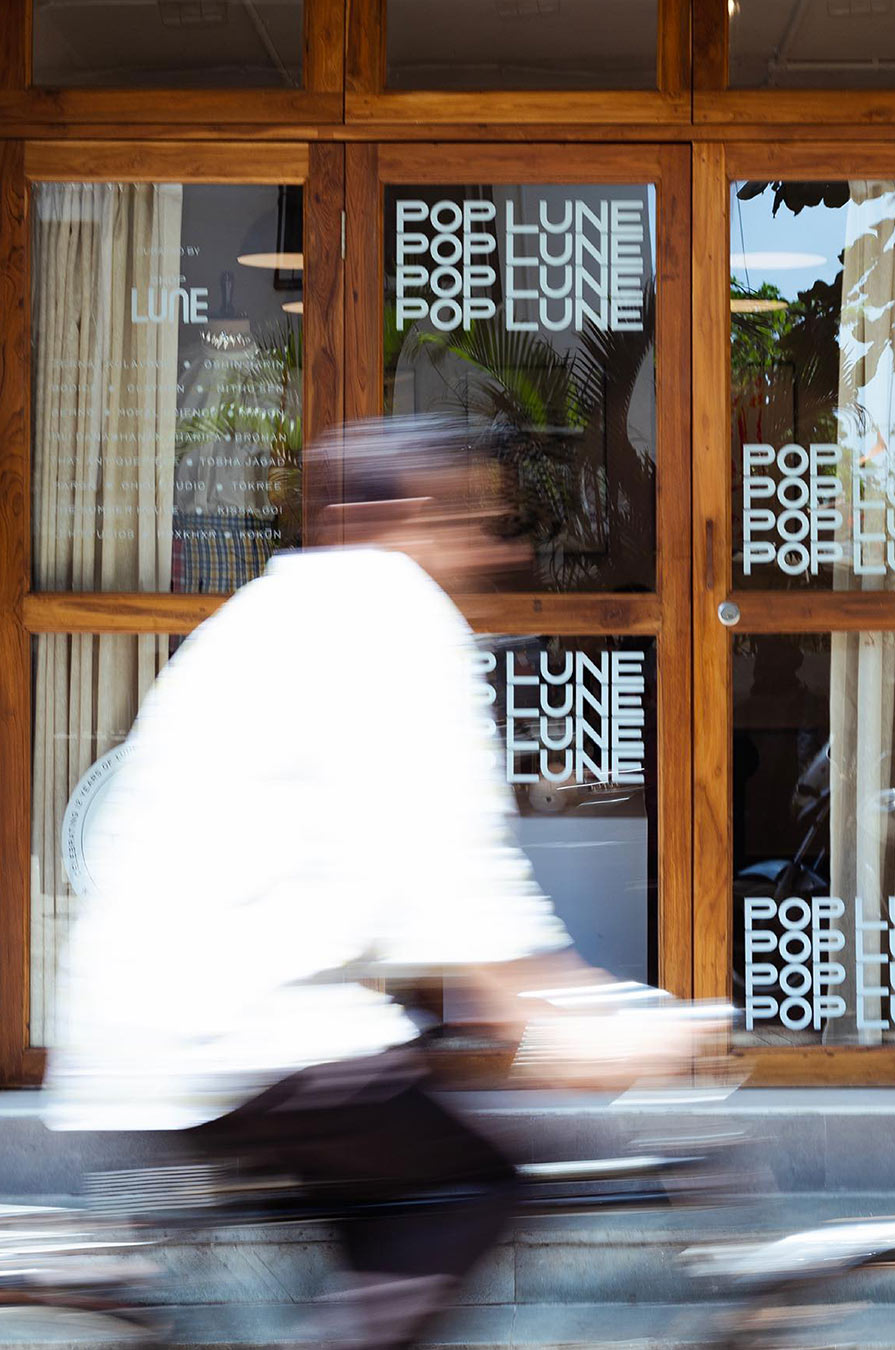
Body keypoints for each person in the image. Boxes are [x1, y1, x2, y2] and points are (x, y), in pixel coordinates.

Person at [46, 417, 687, 1349]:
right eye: (477, 515)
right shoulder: (395, 619)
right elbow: (461, 886)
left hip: (154, 1016)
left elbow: (389, 865)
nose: (490, 546)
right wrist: (604, 1028)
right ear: (420, 513)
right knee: (467, 1190)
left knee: (390, 1204)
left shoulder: (272, 609)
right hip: (239, 1026)